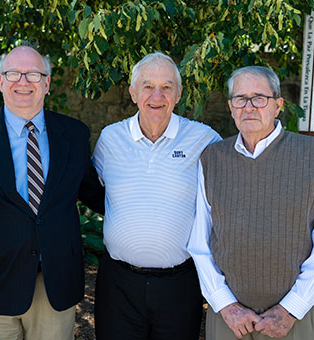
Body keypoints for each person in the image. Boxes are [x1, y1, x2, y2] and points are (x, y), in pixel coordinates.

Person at [0, 44, 104, 340]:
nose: (23, 81)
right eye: (13, 73)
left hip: (54, 285)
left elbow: (95, 195)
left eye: (33, 74)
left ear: (46, 83)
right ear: (1, 82)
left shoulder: (73, 134)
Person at [188, 66, 314, 340]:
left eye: (259, 97)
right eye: (240, 99)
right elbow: (200, 243)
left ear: (278, 105)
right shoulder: (211, 159)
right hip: (229, 321)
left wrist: (290, 310)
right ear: (230, 107)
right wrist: (224, 304)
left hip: (295, 319)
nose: (248, 107)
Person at [92, 52, 221, 340]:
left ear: (179, 94)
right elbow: (93, 188)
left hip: (180, 284)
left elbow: (244, 166)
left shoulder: (204, 139)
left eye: (167, 87)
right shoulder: (110, 139)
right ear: (133, 93)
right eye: (148, 86)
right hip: (118, 285)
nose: (157, 96)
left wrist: (305, 152)